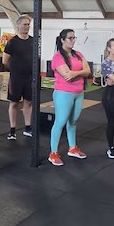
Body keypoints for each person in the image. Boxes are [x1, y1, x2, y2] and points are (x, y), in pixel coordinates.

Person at [47, 29, 90, 166]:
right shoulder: (58, 57)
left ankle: (72, 148)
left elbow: (88, 71)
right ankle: (53, 153)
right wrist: (80, 72)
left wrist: (75, 73)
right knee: (60, 122)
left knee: (73, 121)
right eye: (70, 38)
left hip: (79, 92)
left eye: (74, 38)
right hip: (63, 93)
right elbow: (67, 75)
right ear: (62, 40)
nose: (73, 40)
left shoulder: (78, 54)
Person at [2, 14, 33, 140]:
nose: (27, 27)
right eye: (25, 24)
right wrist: (15, 69)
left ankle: (28, 128)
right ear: (18, 25)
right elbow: (5, 61)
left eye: (28, 24)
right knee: (14, 103)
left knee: (28, 102)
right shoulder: (12, 42)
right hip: (16, 78)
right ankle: (12, 130)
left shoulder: (33, 41)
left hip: (29, 77)